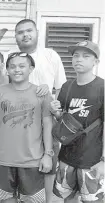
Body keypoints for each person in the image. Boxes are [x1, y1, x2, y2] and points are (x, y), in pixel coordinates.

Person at [0, 52, 54, 203]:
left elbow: (48, 124)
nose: (17, 70)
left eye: (22, 66)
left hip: (32, 159)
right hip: (4, 159)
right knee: (5, 200)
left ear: (31, 69)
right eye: (12, 66)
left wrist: (48, 154)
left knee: (32, 200)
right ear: (7, 70)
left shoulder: (41, 93)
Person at [14, 19, 67, 203]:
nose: (25, 34)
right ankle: (24, 197)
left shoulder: (50, 56)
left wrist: (55, 107)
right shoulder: (12, 58)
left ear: (37, 32)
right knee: (22, 159)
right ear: (16, 37)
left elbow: (60, 88)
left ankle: (47, 199)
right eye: (20, 32)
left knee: (48, 159)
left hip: (47, 119)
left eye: (29, 30)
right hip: (20, 119)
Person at [51, 40, 104, 203]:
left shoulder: (102, 87)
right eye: (75, 56)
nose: (78, 59)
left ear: (96, 62)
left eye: (85, 56)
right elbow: (64, 120)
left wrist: (104, 161)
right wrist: (56, 113)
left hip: (92, 159)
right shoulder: (67, 86)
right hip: (67, 156)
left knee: (93, 200)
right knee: (67, 199)